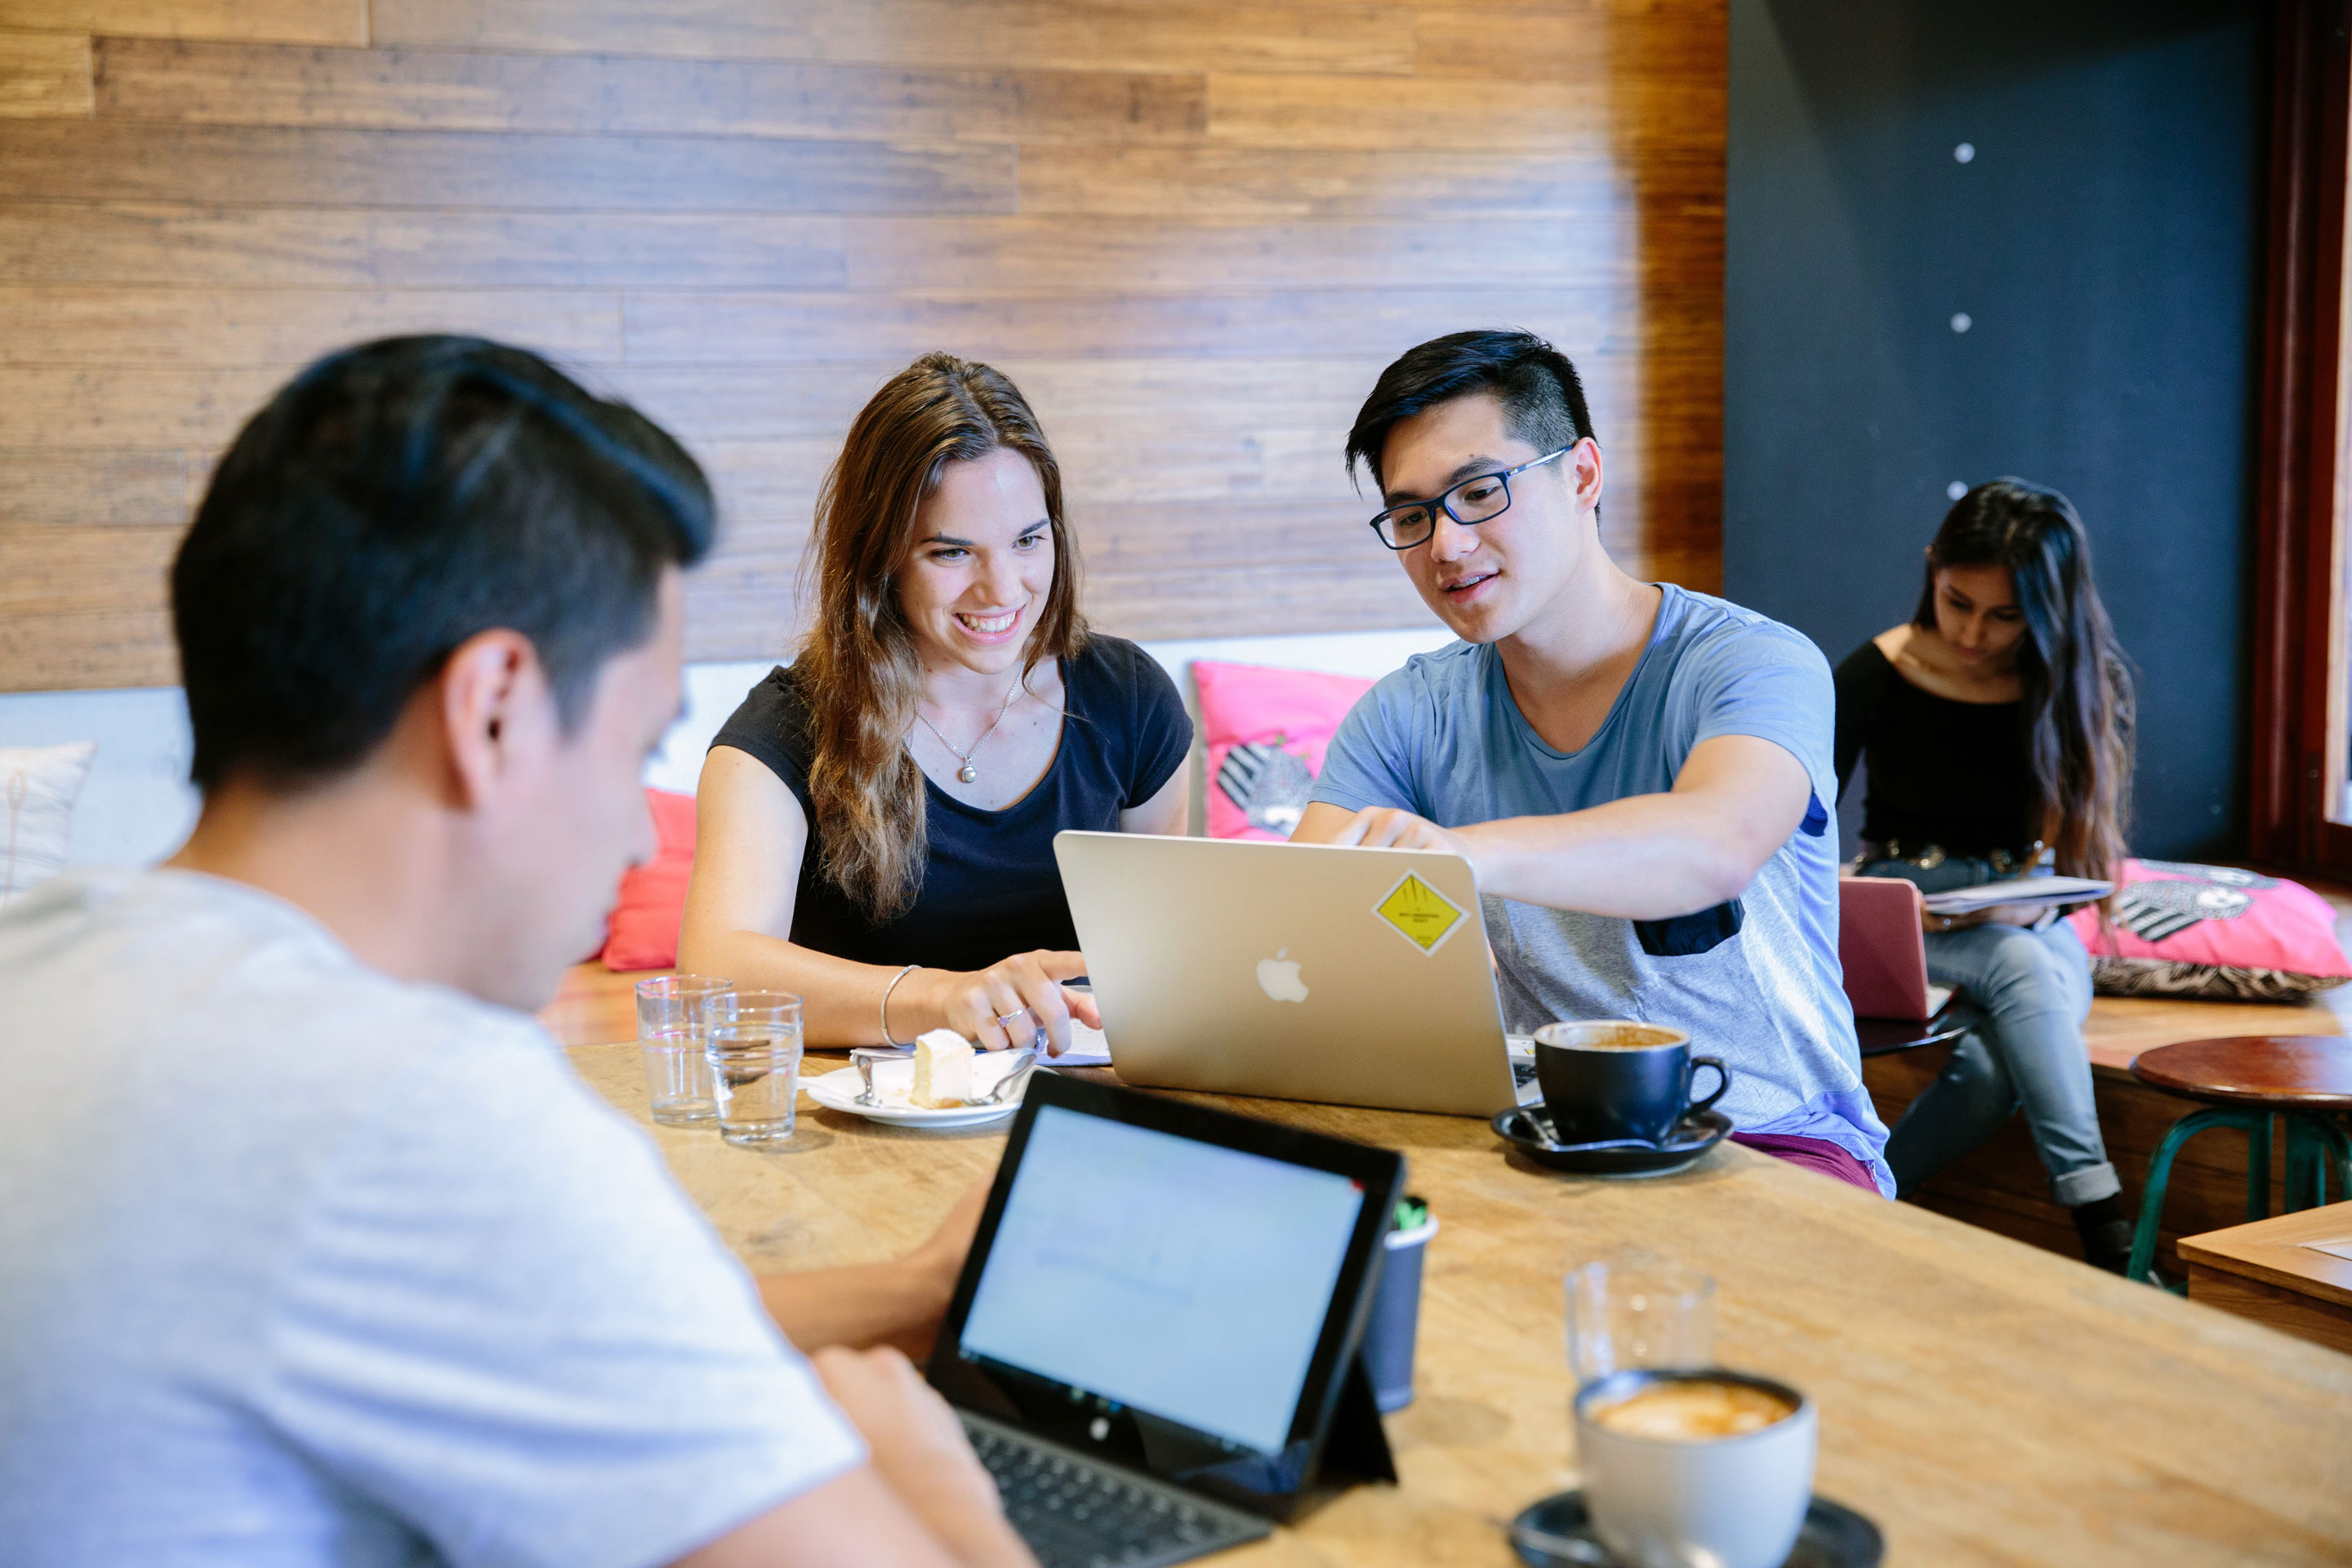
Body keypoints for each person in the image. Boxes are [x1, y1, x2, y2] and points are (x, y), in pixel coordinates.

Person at [0, 336, 1035, 1567]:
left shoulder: (46, 963)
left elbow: (531, 1321)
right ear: (491, 709)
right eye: (635, 750)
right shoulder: (412, 1109)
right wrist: (938, 1483)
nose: (622, 835)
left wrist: (914, 1292)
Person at [1292, 329, 1892, 1195]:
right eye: (1412, 514)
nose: (1445, 546)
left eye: (1478, 490)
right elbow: (1310, 915)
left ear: (1581, 475)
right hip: (1540, 1138)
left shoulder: (1753, 664)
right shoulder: (1410, 711)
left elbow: (1713, 847)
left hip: (1771, 1136)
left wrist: (1466, 856)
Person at [680, 354, 1192, 1054]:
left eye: (1027, 541)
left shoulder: (1127, 697)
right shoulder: (781, 734)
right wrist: (947, 996)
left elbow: (1171, 947)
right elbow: (714, 972)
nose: (1003, 589)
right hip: (873, 1131)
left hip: (1083, 1108)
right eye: (953, 554)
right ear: (880, 557)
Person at [1834, 479, 2137, 1271]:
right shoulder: (1875, 671)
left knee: (1994, 1063)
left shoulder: (2075, 679)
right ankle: (2105, 1231)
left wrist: (2025, 908)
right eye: (1956, 600)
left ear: (2049, 607)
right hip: (1906, 906)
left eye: (2005, 616)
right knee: (2021, 967)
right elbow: (1789, 831)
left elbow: (2076, 864)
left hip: (2025, 913)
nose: (1973, 633)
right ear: (1932, 567)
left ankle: (1854, 1209)